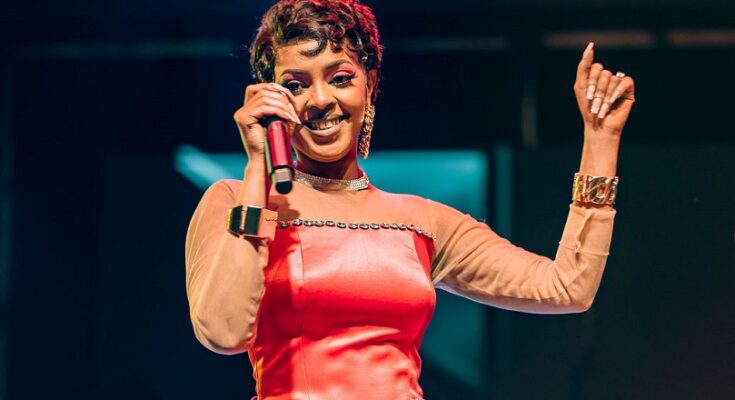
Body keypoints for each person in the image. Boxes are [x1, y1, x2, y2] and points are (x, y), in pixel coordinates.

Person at [185, 0, 635, 398]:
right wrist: (257, 167)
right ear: (271, 98)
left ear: (369, 84)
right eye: (296, 85)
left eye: (340, 78)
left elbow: (568, 287)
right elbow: (224, 333)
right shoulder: (236, 200)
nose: (320, 99)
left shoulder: (423, 222)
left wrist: (600, 141)